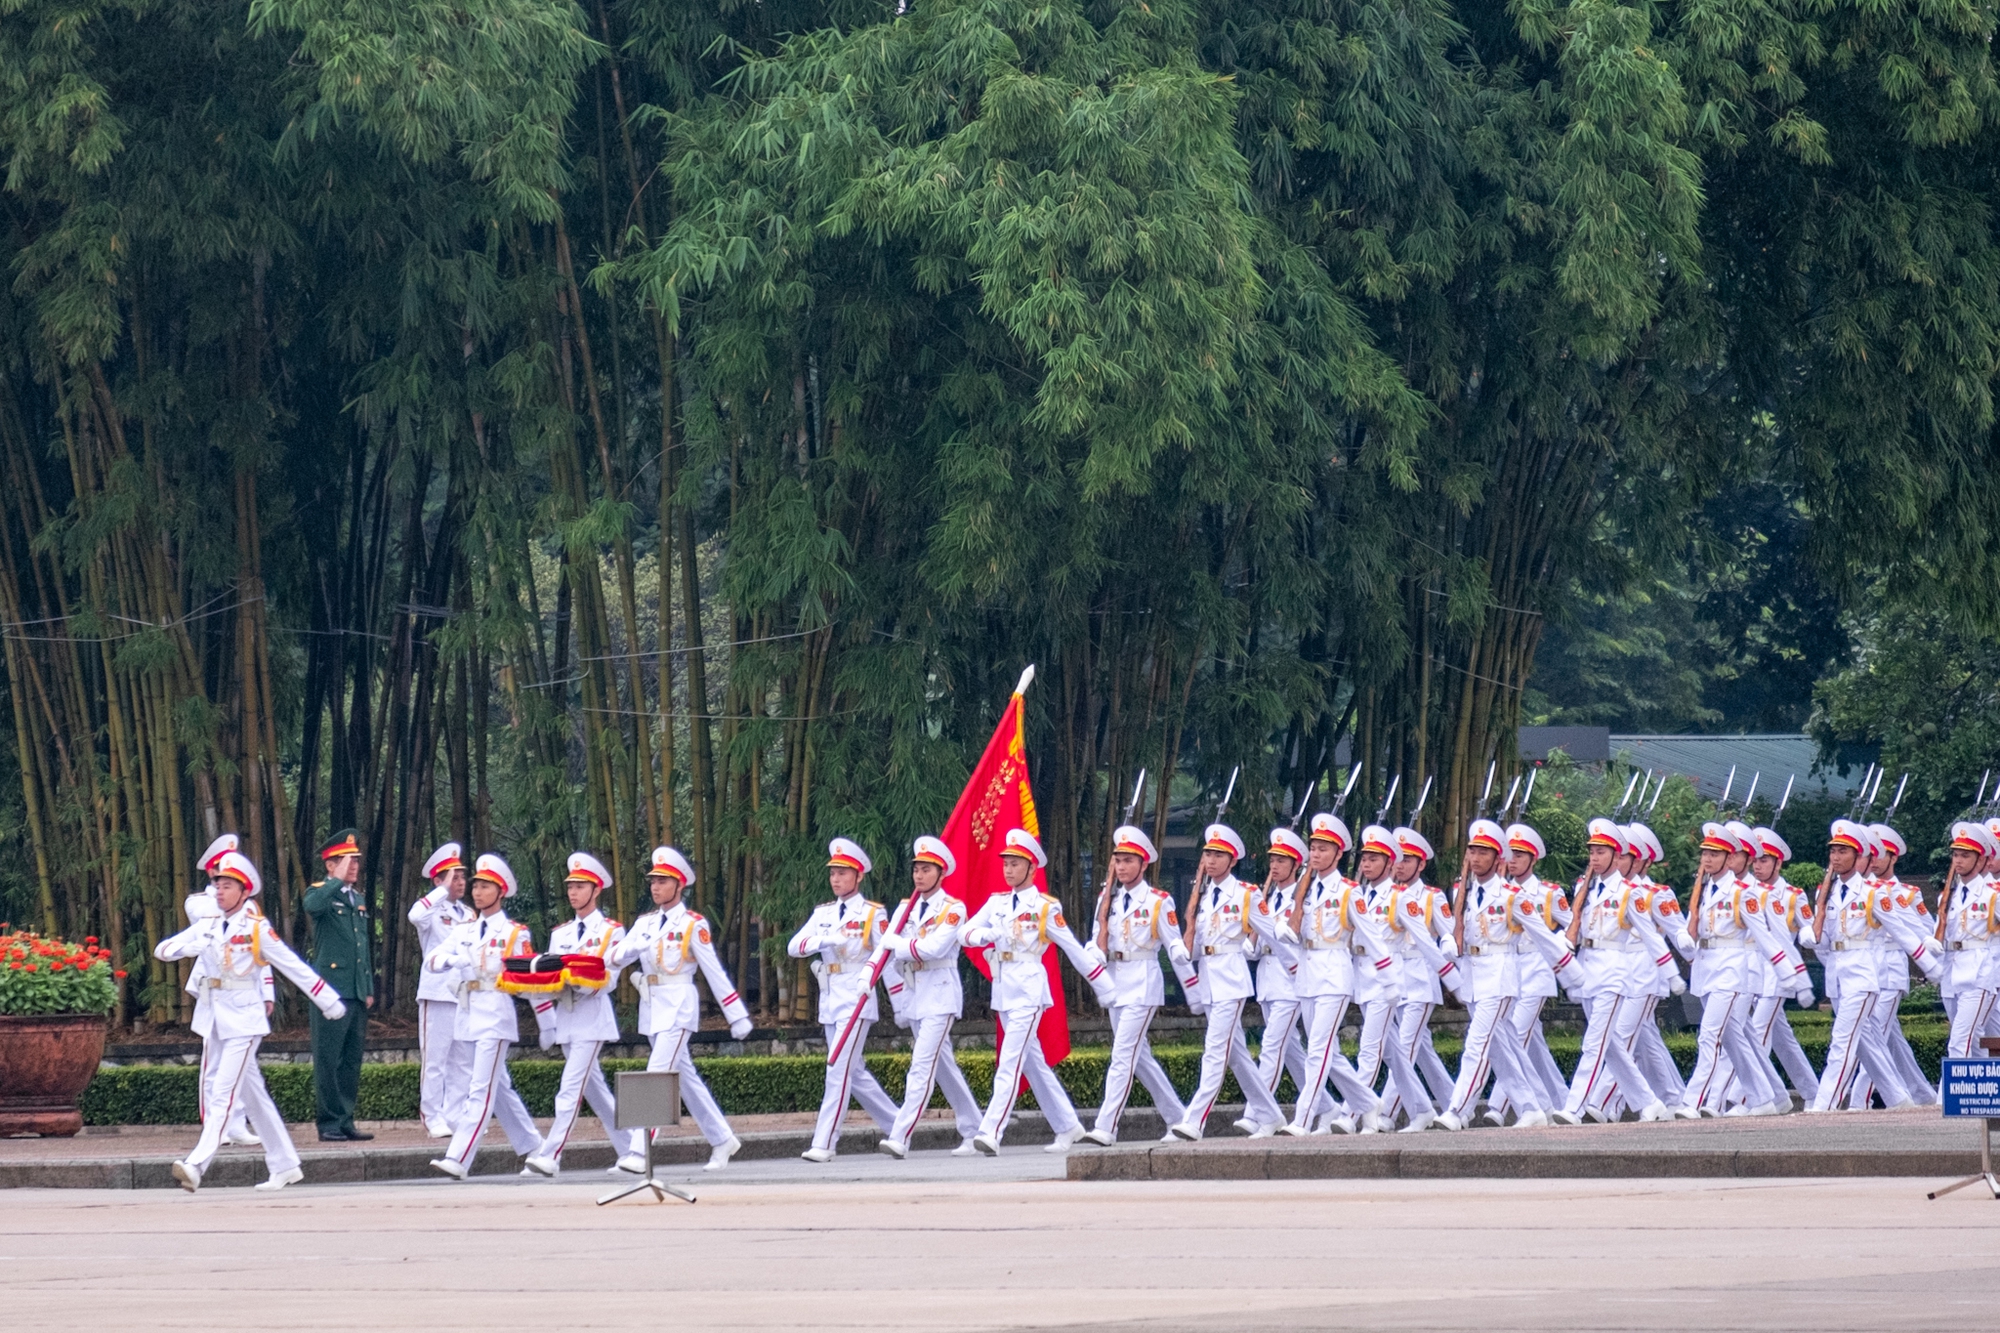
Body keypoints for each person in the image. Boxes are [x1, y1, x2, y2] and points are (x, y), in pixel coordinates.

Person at [155, 851, 348, 1192]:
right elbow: (164, 949)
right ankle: (285, 1164)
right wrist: (187, 947)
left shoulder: (256, 929)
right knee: (254, 1097)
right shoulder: (209, 923)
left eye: (227, 885)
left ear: (244, 892)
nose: (219, 891)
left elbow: (293, 966)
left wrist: (328, 1000)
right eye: (217, 884)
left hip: (245, 1020)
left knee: (222, 1093)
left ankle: (197, 1164)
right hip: (215, 1017)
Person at [962, 829, 1113, 1155]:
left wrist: (1105, 987)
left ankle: (991, 1131)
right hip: (1003, 987)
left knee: (1010, 1061)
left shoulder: (1045, 907)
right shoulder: (996, 902)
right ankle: (1068, 1126)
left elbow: (1073, 949)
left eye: (1016, 864)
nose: (1008, 870)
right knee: (1032, 1063)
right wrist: (981, 936)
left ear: (1032, 869)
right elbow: (965, 931)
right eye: (1006, 864)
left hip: (1030, 988)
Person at [610, 844, 754, 1170]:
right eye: (653, 881)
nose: (655, 886)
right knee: (685, 1079)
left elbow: (714, 972)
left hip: (678, 1007)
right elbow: (615, 958)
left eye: (662, 880)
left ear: (679, 884)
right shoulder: (645, 923)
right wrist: (629, 948)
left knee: (657, 1074)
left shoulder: (693, 924)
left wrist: (737, 1014)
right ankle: (722, 1139)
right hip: (652, 1006)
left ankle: (639, 1150)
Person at [522, 853, 646, 1177]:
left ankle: (550, 1155)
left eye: (580, 886)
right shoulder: (560, 933)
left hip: (592, 1018)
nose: (573, 892)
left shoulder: (611, 931)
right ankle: (632, 1149)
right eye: (571, 886)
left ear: (596, 889)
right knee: (597, 1094)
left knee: (569, 1088)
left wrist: (575, 984)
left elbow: (608, 979)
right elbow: (551, 972)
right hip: (566, 1018)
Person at [1803, 820, 1937, 1112]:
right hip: (1837, 975)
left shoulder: (1873, 891)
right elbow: (1824, 938)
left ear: (1859, 854)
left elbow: (1902, 931)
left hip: (1864, 974)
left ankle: (1824, 1106)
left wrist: (1932, 967)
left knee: (1843, 1040)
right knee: (1868, 1043)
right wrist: (1810, 935)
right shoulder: (1826, 892)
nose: (1836, 857)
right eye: (1833, 851)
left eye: (1843, 851)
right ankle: (1899, 1099)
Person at [1168, 823, 1290, 1140]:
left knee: (1215, 1050)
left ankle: (1195, 1120)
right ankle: (1272, 1115)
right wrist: (1184, 952)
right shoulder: (1204, 895)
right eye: (1208, 853)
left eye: (1218, 854)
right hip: (1209, 978)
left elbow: (1272, 935)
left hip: (1232, 979)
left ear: (1232, 860)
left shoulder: (1246, 894)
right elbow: (1197, 943)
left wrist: (1295, 968)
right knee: (1237, 1057)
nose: (1211, 859)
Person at [427, 854, 544, 1179]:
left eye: (485, 886)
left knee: (480, 1089)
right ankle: (535, 1147)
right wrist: (451, 962)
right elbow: (432, 958)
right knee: (500, 1088)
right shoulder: (464, 930)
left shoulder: (513, 933)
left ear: (501, 890)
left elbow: (528, 981)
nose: (477, 891)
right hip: (467, 1014)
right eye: (476, 885)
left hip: (495, 1013)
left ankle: (458, 1158)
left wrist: (546, 1021)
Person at [1081, 824, 1198, 1146]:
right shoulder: (1108, 899)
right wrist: (1094, 954)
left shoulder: (1159, 901)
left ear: (1143, 864)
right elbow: (1095, 939)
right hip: (1116, 982)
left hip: (1143, 983)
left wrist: (1193, 989)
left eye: (1129, 861)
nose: (1122, 867)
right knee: (1139, 1057)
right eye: (1118, 860)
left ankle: (1106, 1126)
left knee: (1122, 1056)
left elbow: (1173, 944)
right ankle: (1178, 1118)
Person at [789, 838, 901, 1162]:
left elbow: (887, 958)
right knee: (854, 1071)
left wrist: (899, 1002)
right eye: (833, 873)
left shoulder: (872, 914)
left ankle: (824, 1142)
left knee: (837, 1067)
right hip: (830, 995)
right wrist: (824, 938)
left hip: (857, 997)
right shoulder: (822, 913)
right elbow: (794, 946)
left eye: (843, 872)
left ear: (858, 875)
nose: (836, 879)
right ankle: (899, 1125)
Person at [1279, 821, 1391, 1135]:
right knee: (1331, 1052)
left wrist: (1389, 979)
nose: (1315, 854)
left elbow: (1372, 936)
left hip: (1334, 972)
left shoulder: (1348, 892)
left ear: (1338, 853)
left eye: (1323, 849)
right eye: (1313, 848)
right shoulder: (1304, 888)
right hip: (1307, 973)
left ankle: (1302, 1118)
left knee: (1318, 1049)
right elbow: (1290, 929)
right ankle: (1368, 1102)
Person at [875, 836, 984, 1158]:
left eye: (926, 870)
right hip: (915, 993)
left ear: (940, 873)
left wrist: (897, 944)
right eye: (916, 870)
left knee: (921, 1066)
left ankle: (900, 1135)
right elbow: (884, 950)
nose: (919, 876)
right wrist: (870, 977)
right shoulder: (905, 908)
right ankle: (974, 1129)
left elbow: (934, 948)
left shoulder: (953, 909)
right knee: (943, 1066)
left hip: (940, 994)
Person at [1435, 821, 1547, 1131]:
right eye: (1472, 850)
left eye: (1484, 852)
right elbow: (1455, 930)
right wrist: (1448, 941)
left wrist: (1571, 971)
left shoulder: (1511, 894)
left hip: (1499, 975)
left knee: (1477, 1044)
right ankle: (1533, 1106)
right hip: (1472, 975)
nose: (1476, 857)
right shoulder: (1463, 890)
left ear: (1498, 858)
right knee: (1502, 1047)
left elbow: (1542, 934)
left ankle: (1458, 1110)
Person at [184, 833, 266, 1149]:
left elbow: (260, 952)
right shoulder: (200, 902)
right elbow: (217, 922)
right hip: (213, 993)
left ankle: (236, 1123)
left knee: (243, 1065)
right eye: (221, 873)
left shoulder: (248, 907)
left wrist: (267, 992)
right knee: (213, 1063)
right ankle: (214, 1125)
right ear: (211, 873)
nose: (224, 883)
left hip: (243, 992)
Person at [305, 828, 374, 1141]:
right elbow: (312, 906)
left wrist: (368, 987)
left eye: (356, 861)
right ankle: (329, 1123)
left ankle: (346, 1119)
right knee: (328, 1058)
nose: (354, 866)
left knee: (350, 1060)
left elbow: (362, 948)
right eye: (347, 861)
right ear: (330, 865)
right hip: (330, 991)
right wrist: (335, 881)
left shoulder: (357, 899)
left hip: (356, 990)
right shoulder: (321, 892)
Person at [1499, 823, 1573, 1114]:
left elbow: (1571, 927)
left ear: (1533, 858)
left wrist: (1558, 944)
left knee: (1514, 1034)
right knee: (1534, 1044)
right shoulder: (1499, 892)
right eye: (1509, 854)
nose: (1513, 860)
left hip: (1537, 967)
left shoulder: (1549, 893)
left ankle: (1501, 1106)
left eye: (1519, 854)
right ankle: (1561, 1102)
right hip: (1508, 967)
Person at [408, 842, 474, 1137]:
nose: (460, 883)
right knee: (435, 1058)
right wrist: (441, 889)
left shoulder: (469, 914)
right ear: (438, 880)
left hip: (463, 993)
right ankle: (431, 1114)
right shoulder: (431, 911)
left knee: (462, 1059)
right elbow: (414, 916)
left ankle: (455, 1113)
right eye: (453, 877)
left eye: (461, 877)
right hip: (437, 992)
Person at [1251, 827, 1312, 1125]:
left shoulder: (1303, 899)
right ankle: (1327, 1109)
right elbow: (1252, 950)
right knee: (1292, 1053)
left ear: (1295, 865)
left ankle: (1259, 1114)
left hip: (1291, 981)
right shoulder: (1266, 899)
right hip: (1266, 980)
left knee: (1271, 1045)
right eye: (1272, 859)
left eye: (1281, 860)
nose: (1274, 866)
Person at [1940, 822, 2000, 1057]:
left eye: (1965, 856)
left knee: (1959, 1043)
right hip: (1953, 973)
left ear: (1981, 860)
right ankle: (1983, 1093)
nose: (1958, 861)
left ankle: (1946, 1096)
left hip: (1980, 974)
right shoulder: (1951, 896)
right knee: (1973, 1042)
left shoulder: (1992, 894)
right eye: (1956, 855)